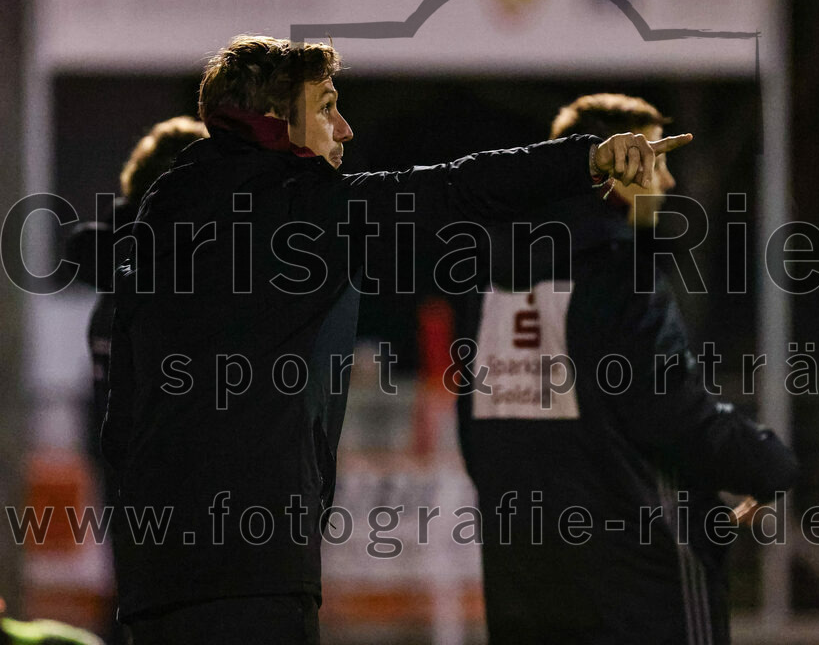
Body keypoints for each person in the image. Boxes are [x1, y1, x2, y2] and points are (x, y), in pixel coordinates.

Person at [102, 37, 690, 644]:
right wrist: (587, 160)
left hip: (155, 562)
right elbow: (457, 186)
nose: (345, 128)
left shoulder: (163, 211)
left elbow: (122, 405)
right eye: (327, 106)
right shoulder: (304, 208)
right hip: (251, 562)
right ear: (277, 120)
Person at [454, 93, 799, 644]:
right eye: (657, 163)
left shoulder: (485, 282)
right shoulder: (618, 272)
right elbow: (672, 412)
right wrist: (767, 461)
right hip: (637, 587)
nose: (666, 184)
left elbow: (476, 436)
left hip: (523, 582)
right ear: (616, 169)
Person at [66, 116, 208, 644]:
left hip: (120, 459)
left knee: (135, 592)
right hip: (169, 466)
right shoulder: (173, 274)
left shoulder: (117, 271)